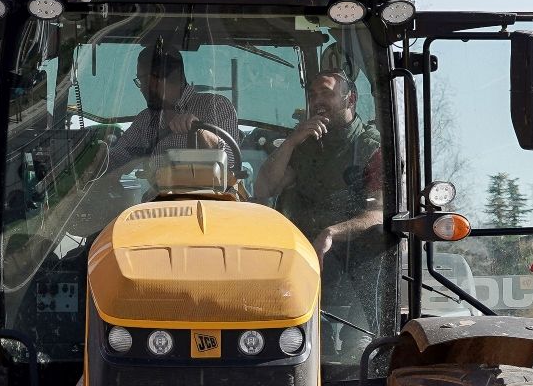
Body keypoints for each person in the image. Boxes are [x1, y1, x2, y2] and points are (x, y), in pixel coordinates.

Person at [254, 70, 382, 260]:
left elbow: (380, 213)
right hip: (296, 251)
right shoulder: (305, 143)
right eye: (312, 96)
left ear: (351, 99)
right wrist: (291, 142)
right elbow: (264, 189)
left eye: (326, 93)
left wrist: (331, 233)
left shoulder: (373, 148)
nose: (317, 102)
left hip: (351, 260)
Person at [103, 44, 239, 176]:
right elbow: (116, 159)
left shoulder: (217, 106)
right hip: (160, 198)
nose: (142, 88)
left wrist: (201, 132)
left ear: (171, 77)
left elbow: (232, 163)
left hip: (214, 198)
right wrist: (96, 158)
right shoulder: (144, 120)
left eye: (145, 80)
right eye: (140, 81)